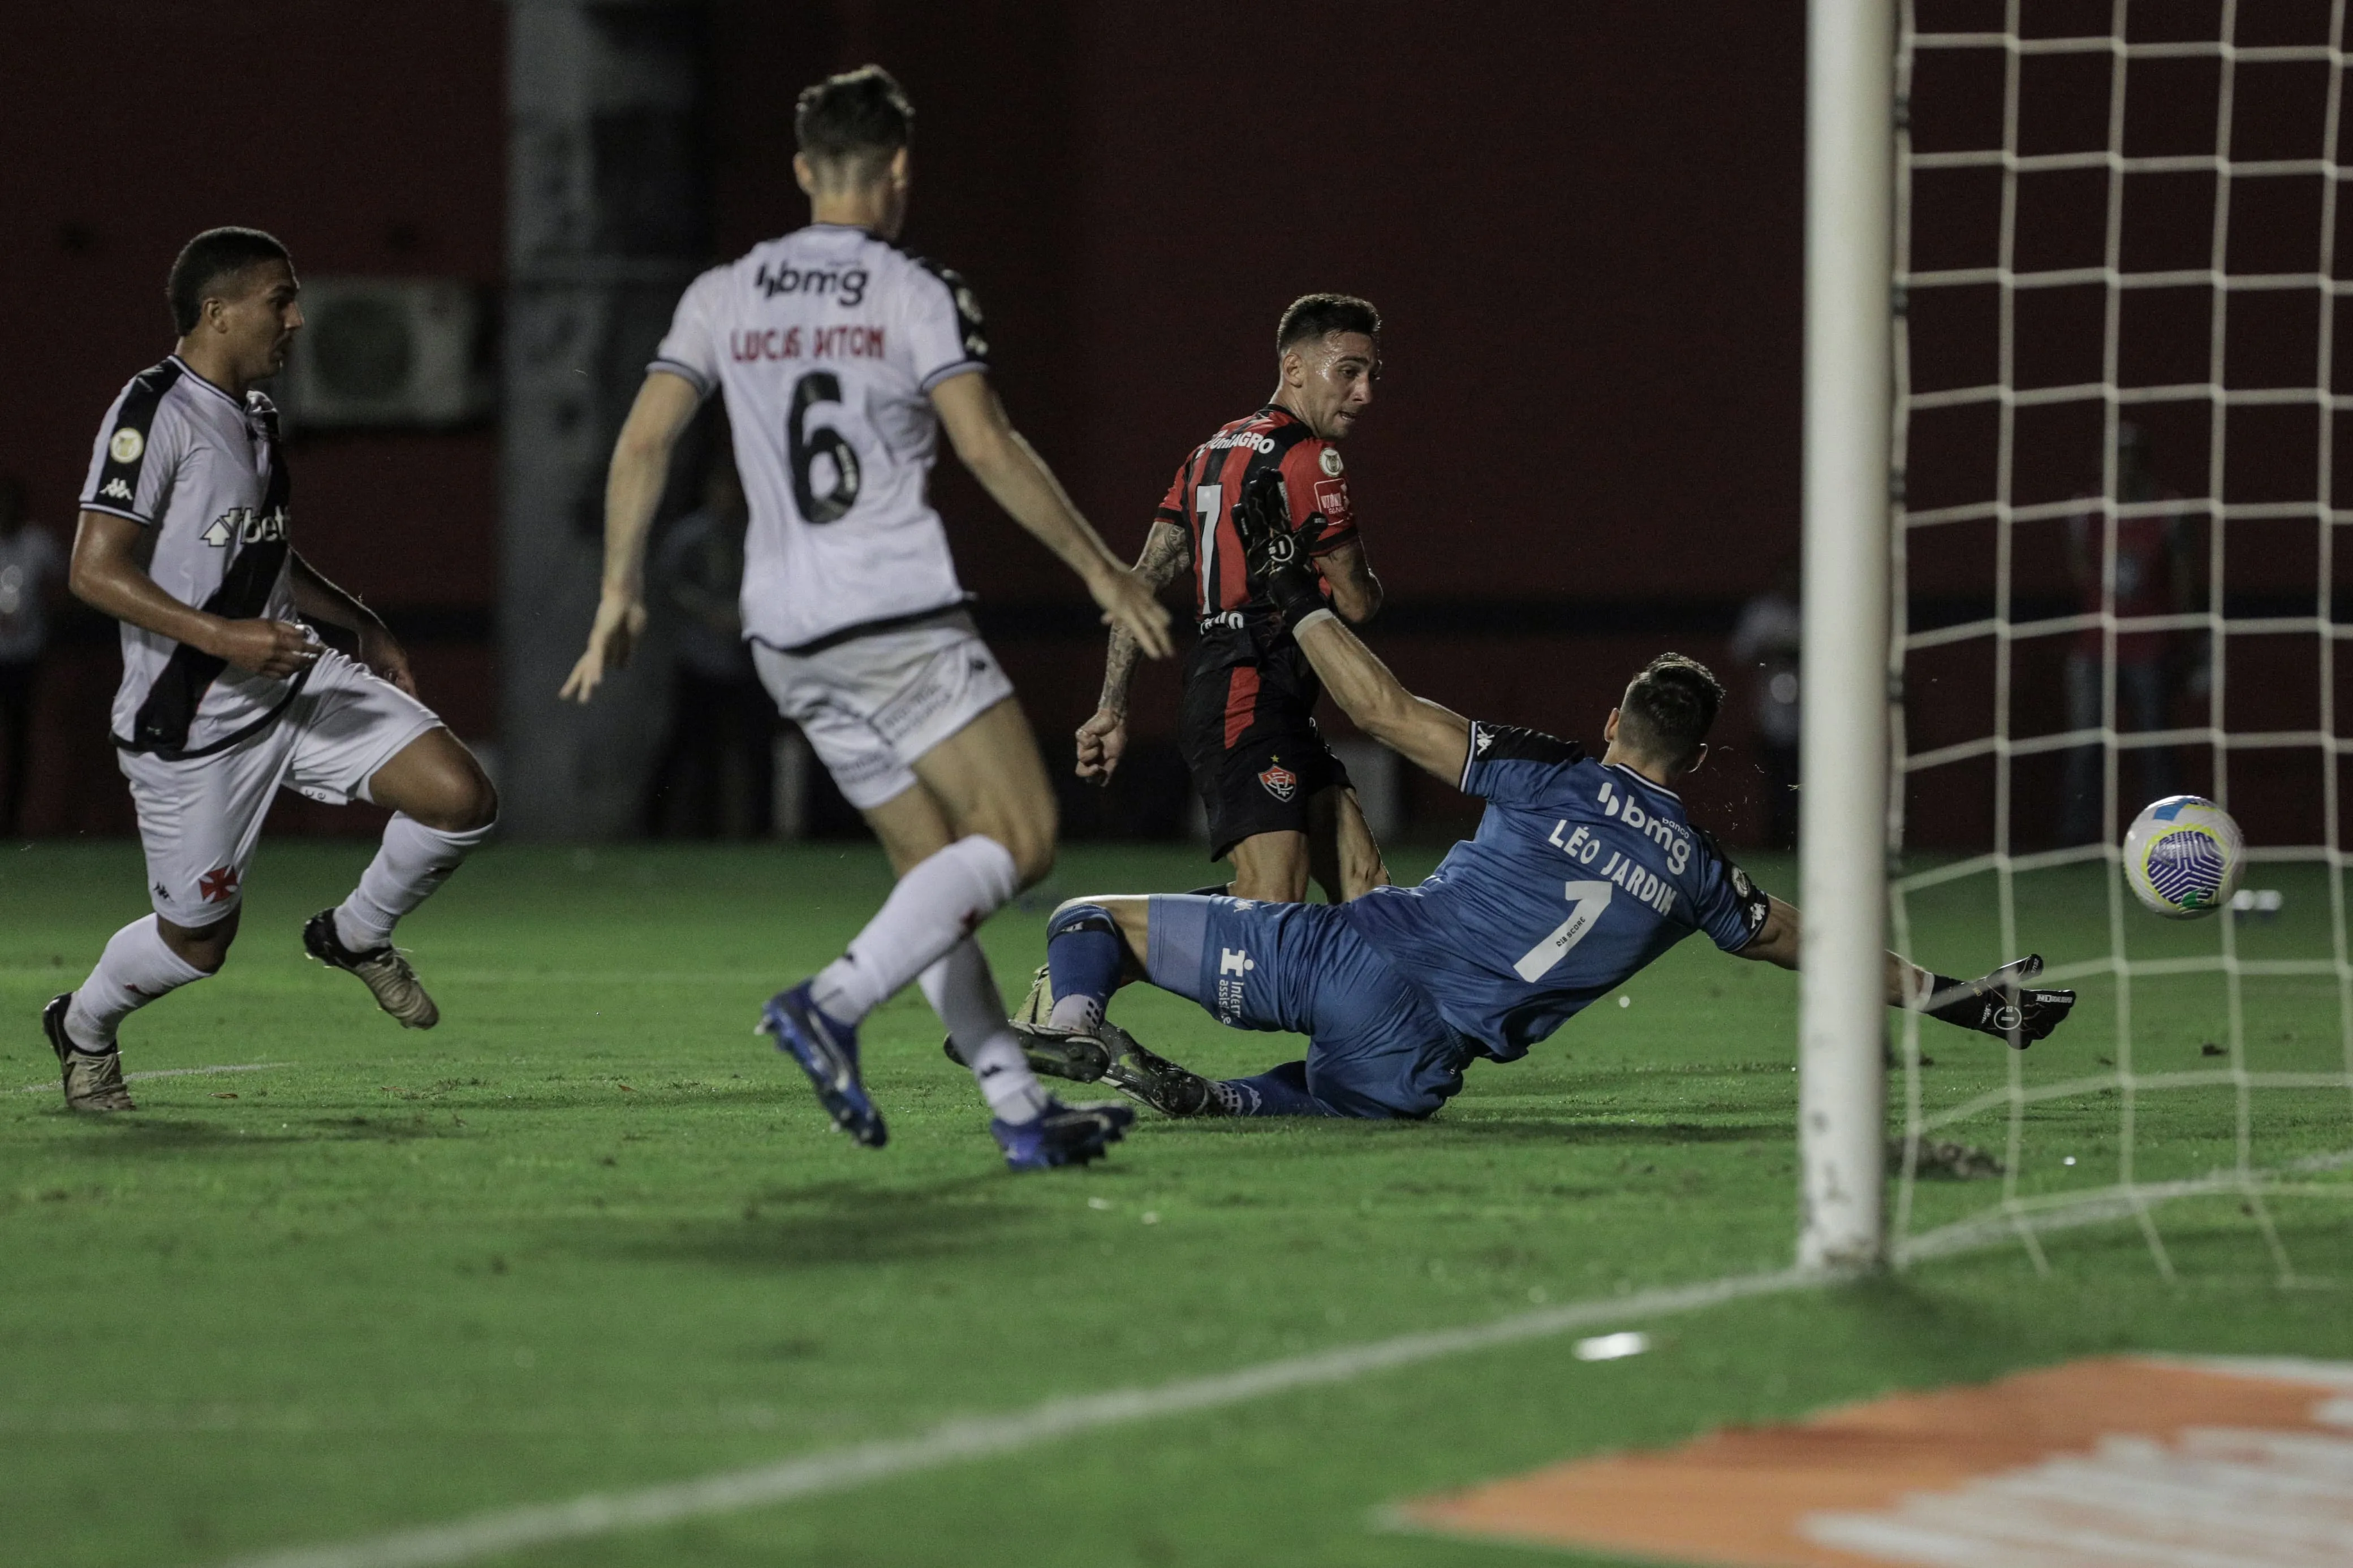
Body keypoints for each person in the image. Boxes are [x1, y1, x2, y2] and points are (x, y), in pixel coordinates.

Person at [1013, 473, 2076, 1120]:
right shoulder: (1700, 874)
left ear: (1615, 720)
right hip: (1422, 1062)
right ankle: (1228, 1100)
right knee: (1334, 1093)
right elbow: (1828, 953)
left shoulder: (1550, 769)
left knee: (1087, 921)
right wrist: (1968, 999)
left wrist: (1292, 592)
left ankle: (1074, 1019)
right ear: (1699, 762)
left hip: (1355, 961)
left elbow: (1384, 711)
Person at [560, 66, 1173, 1170]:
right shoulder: (910, 289)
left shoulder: (725, 291)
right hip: (893, 613)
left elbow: (645, 439)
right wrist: (1101, 571)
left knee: (932, 874)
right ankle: (833, 1002)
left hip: (782, 632)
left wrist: (619, 589)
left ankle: (1019, 1114)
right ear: (898, 172)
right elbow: (987, 445)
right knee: (1023, 839)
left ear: (803, 171)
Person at [48, 227, 499, 1113]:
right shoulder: (153, 412)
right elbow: (92, 570)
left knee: (460, 798)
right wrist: (223, 639)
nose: (297, 319)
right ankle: (83, 1026)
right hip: (194, 720)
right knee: (195, 948)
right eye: (280, 301)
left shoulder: (253, 412)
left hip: (291, 680)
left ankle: (356, 934)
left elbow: (263, 555)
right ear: (218, 312)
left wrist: (362, 621)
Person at [1074, 294, 1389, 903]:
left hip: (1259, 694)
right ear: (1293, 368)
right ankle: (1099, 936)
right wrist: (1361, 580)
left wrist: (1112, 706)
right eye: (1347, 371)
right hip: (1246, 690)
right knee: (1272, 901)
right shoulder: (1310, 458)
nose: (1364, 393)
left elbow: (1141, 581)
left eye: (1371, 374)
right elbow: (1355, 603)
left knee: (1368, 889)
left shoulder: (1209, 452)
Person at [2063, 421, 2196, 845]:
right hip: (2095, 646)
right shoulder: (2085, 509)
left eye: (2130, 455)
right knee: (2086, 747)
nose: (2121, 465)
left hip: (2150, 646)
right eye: (2115, 456)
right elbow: (2081, 573)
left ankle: (2167, 839)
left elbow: (2183, 578)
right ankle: (2077, 840)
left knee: (2156, 747)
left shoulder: (2167, 509)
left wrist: (2189, 643)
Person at [639, 448, 775, 839]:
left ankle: (760, 832)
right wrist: (708, 612)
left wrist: (746, 616)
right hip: (700, 658)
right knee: (689, 746)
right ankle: (659, 827)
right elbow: (669, 588)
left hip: (748, 659)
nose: (727, 496)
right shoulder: (690, 537)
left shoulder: (754, 537)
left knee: (756, 749)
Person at [0, 476, 66, 836]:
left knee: (20, 741)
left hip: (25, 657)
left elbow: (73, 578)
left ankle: (12, 824)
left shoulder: (36, 543)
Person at [1728, 556, 1800, 849]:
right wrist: (1773, 650)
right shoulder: (1764, 612)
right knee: (1777, 778)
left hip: (1816, 708)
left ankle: (1804, 840)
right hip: (1774, 703)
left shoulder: (1820, 606)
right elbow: (1739, 652)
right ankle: (1778, 840)